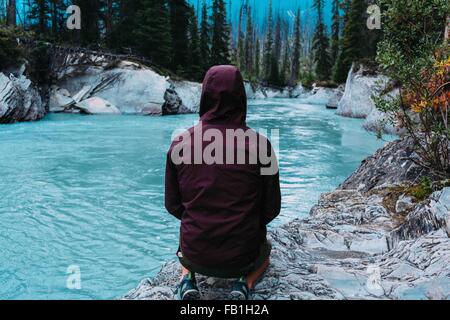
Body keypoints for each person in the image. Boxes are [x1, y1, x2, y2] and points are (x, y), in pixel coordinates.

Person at [165, 65, 281, 300]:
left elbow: (173, 205)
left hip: (195, 252)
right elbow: (271, 208)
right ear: (241, 97)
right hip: (242, 253)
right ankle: (244, 284)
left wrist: (200, 220)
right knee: (265, 252)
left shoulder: (180, 143)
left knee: (184, 242)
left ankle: (187, 280)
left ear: (205, 96)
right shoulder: (261, 145)